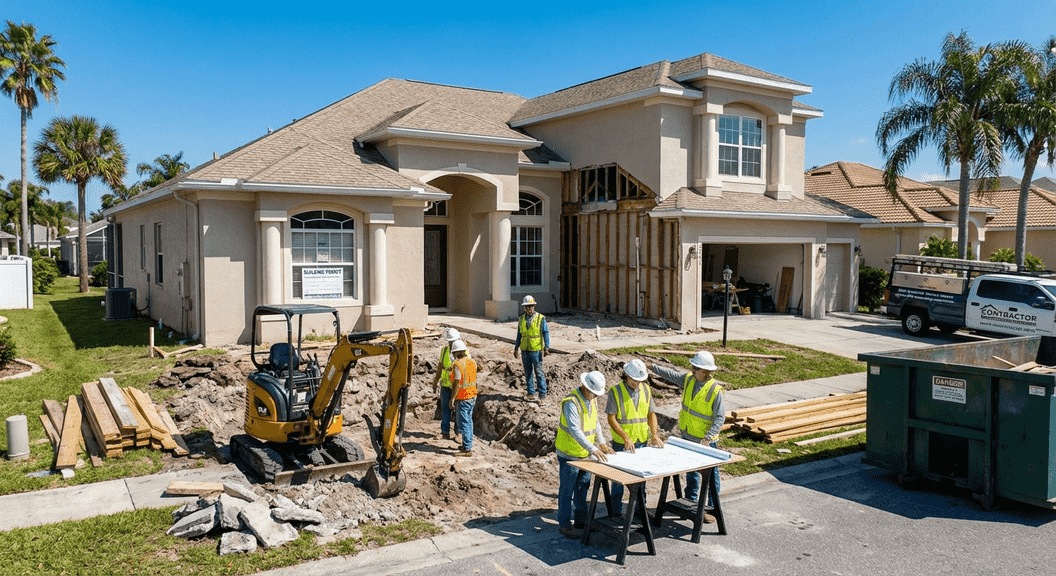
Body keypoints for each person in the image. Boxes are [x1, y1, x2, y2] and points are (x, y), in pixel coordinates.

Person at [650, 351, 724, 521]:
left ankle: (712, 508)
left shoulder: (715, 390)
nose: (691, 369)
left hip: (705, 441)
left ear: (705, 371)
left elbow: (719, 417)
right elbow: (670, 374)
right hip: (688, 435)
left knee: (711, 476)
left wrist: (708, 437)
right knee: (691, 473)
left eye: (695, 368)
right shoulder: (689, 379)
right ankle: (690, 503)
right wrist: (653, 367)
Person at [555, 371, 615, 539]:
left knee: (582, 487)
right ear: (585, 387)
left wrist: (601, 441)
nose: (595, 396)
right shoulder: (571, 403)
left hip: (584, 453)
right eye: (593, 393)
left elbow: (595, 422)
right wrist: (593, 449)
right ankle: (564, 524)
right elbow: (575, 430)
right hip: (569, 453)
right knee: (567, 491)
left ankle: (581, 521)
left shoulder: (592, 400)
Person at [605, 359, 664, 515]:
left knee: (641, 480)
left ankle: (640, 510)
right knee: (618, 480)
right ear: (626, 375)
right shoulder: (615, 391)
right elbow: (611, 418)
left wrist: (655, 434)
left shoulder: (645, 390)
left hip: (641, 441)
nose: (636, 383)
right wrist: (625, 437)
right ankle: (616, 512)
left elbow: (651, 414)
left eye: (639, 380)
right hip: (621, 444)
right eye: (633, 380)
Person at [431, 327, 467, 440]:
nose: (451, 344)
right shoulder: (444, 351)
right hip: (446, 384)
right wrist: (435, 381)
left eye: (453, 341)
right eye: (450, 341)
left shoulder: (464, 351)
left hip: (457, 385)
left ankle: (458, 433)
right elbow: (440, 367)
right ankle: (445, 432)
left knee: (458, 409)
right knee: (445, 408)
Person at [513, 295, 550, 400]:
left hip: (536, 350)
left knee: (539, 373)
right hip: (525, 350)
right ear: (524, 308)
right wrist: (516, 348)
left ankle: (542, 395)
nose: (529, 308)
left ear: (534, 306)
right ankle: (531, 393)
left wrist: (546, 347)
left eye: (531, 306)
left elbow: (545, 333)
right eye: (527, 306)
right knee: (528, 373)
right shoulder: (521, 319)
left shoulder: (540, 318)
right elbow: (519, 334)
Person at [448, 339, 477, 456]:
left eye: (454, 353)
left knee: (464, 423)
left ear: (457, 352)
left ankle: (467, 449)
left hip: (463, 397)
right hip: (472, 395)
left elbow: (457, 382)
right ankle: (467, 444)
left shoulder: (458, 364)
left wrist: (452, 398)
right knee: (469, 421)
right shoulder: (472, 361)